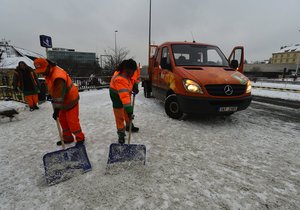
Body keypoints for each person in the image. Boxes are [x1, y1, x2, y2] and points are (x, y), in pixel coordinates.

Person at [33, 58, 85, 146]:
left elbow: (59, 93)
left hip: (71, 99)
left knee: (72, 121)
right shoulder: (49, 73)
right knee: (62, 120)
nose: (42, 73)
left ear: (48, 66)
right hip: (62, 101)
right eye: (40, 71)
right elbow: (54, 88)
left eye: (43, 70)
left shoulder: (58, 76)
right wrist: (51, 94)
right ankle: (68, 138)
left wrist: (56, 110)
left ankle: (80, 139)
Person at [109, 59, 139, 144]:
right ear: (127, 69)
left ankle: (129, 126)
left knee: (127, 110)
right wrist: (130, 112)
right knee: (120, 116)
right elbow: (124, 97)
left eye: (134, 71)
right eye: (132, 72)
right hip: (116, 96)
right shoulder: (120, 79)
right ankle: (121, 135)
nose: (133, 73)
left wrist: (135, 85)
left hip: (125, 92)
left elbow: (135, 76)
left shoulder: (130, 71)